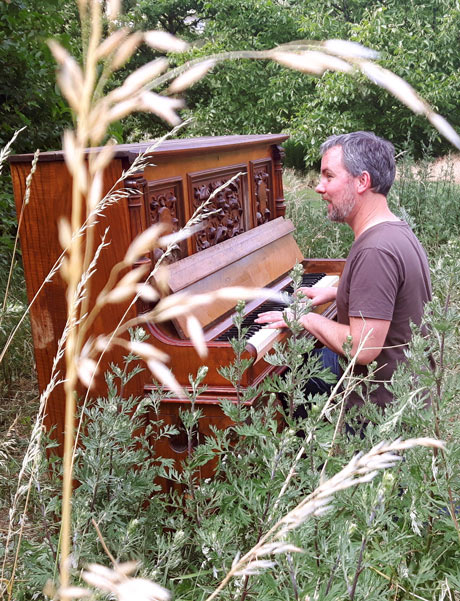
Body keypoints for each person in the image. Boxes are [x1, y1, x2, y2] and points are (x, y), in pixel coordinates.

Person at [255, 131, 432, 409]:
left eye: (329, 176)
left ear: (362, 181)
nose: (318, 187)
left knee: (293, 369)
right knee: (302, 362)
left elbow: (363, 348)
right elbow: (387, 294)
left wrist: (305, 320)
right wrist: (335, 292)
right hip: (408, 387)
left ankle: (308, 447)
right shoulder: (393, 231)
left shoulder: (375, 251)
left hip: (382, 409)